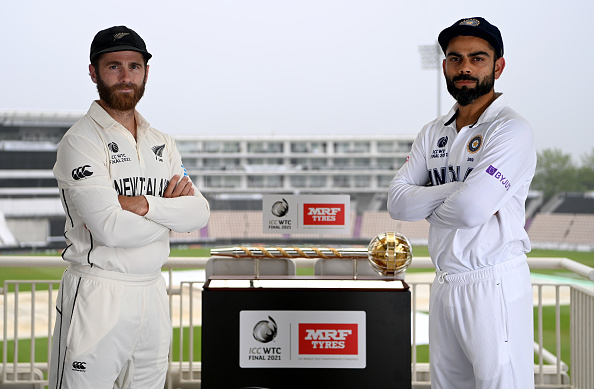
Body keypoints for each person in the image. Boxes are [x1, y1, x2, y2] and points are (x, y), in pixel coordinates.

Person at [49, 25, 210, 389]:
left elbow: (199, 213)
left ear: (146, 72)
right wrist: (170, 214)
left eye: (134, 67)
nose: (125, 76)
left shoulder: (162, 141)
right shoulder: (80, 141)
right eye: (113, 66)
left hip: (153, 292)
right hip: (97, 294)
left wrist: (142, 205)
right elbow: (110, 228)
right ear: (93, 72)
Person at [388, 17, 536, 388]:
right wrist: (461, 186)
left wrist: (432, 199)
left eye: (477, 58)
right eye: (455, 59)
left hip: (493, 281)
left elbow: (470, 211)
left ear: (497, 66)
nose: (465, 67)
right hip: (446, 283)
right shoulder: (432, 131)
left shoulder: (511, 129)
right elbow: (397, 204)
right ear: (445, 67)